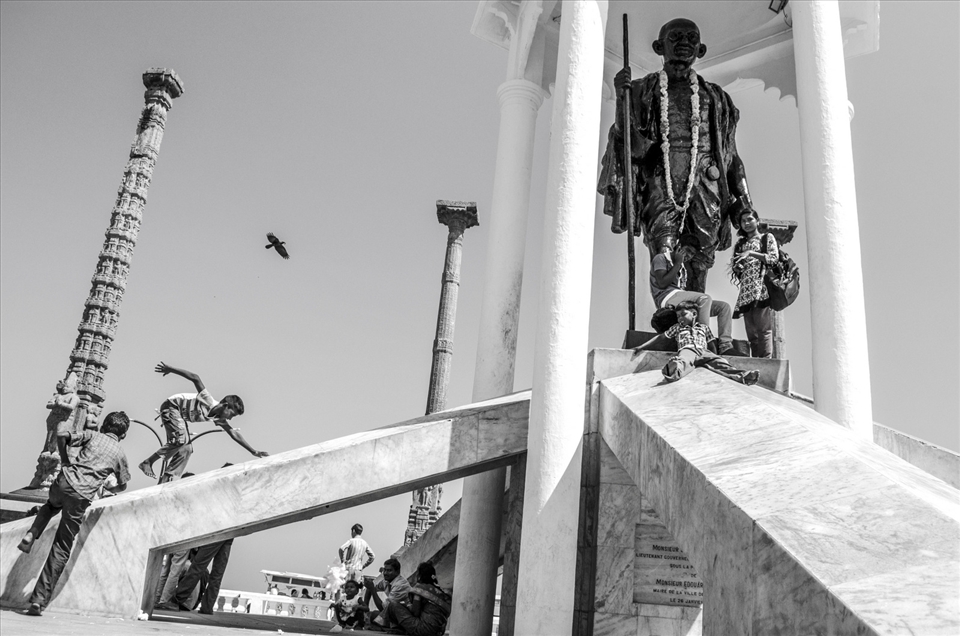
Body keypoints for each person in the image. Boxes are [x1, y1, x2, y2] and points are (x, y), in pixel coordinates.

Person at [598, 18, 753, 292]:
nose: (684, 43)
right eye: (676, 37)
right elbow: (630, 145)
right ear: (659, 47)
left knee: (700, 259)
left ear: (701, 50)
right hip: (661, 184)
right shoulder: (641, 90)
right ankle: (669, 309)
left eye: (691, 38)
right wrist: (623, 101)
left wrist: (745, 202)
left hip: (706, 186)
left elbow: (731, 156)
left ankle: (697, 312)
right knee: (663, 253)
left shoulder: (716, 98)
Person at [17, 411, 132, 617]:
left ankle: (32, 533)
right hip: (81, 496)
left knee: (50, 506)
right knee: (61, 547)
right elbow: (123, 485)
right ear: (123, 435)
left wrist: (65, 460)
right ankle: (38, 600)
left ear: (104, 426)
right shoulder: (120, 453)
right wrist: (108, 487)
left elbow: (62, 435)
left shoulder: (92, 435)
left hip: (64, 481)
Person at [138, 361, 267, 483]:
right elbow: (195, 378)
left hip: (180, 416)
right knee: (180, 440)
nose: (230, 419)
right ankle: (148, 462)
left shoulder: (219, 419)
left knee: (187, 449)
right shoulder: (208, 400)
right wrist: (170, 369)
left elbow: (234, 434)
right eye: (231, 414)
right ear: (225, 406)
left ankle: (166, 479)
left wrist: (253, 451)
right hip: (171, 406)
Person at [649, 235, 738, 356]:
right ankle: (703, 339)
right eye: (688, 251)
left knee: (723, 307)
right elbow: (662, 283)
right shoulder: (661, 258)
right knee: (705, 298)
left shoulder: (682, 268)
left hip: (679, 296)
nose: (689, 256)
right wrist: (677, 263)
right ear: (679, 247)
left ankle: (725, 345)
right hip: (666, 297)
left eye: (692, 254)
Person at [636, 300, 759, 385]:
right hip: (688, 349)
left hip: (704, 351)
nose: (680, 318)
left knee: (722, 363)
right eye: (678, 316)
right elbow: (661, 337)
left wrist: (715, 355)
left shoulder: (704, 328)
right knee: (683, 361)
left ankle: (743, 376)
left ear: (694, 314)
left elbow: (711, 343)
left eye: (683, 315)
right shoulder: (677, 328)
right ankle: (672, 370)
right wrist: (642, 346)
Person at [730, 205, 780, 358]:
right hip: (746, 292)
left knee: (763, 328)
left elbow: (773, 258)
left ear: (757, 221)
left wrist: (751, 253)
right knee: (752, 333)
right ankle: (757, 361)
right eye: (743, 221)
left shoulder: (766, 238)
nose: (746, 223)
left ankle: (766, 360)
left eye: (750, 219)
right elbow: (737, 268)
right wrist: (737, 267)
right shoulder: (740, 244)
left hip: (761, 288)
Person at [157, 538, 233, 614]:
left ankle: (177, 599)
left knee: (197, 567)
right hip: (230, 535)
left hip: (216, 535)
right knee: (217, 574)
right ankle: (207, 607)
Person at [384, 562, 451, 636]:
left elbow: (415, 612)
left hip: (424, 630)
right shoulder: (441, 593)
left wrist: (407, 606)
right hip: (439, 632)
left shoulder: (420, 589)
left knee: (393, 605)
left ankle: (395, 628)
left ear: (420, 576)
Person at [363, 558, 411, 630]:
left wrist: (372, 589)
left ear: (397, 572)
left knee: (374, 617)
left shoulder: (400, 585)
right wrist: (365, 610)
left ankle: (393, 628)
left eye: (389, 570)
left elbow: (384, 609)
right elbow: (370, 587)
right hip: (393, 614)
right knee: (372, 615)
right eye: (384, 570)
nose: (385, 573)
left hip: (405, 617)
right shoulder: (386, 581)